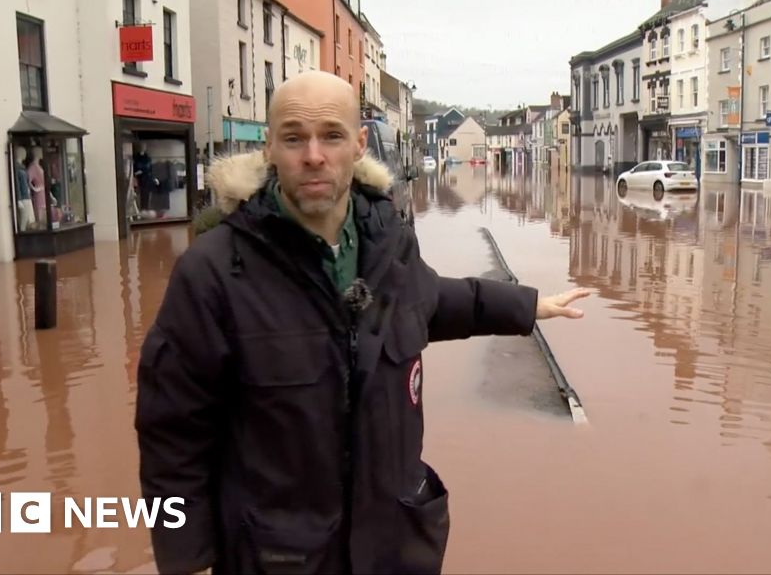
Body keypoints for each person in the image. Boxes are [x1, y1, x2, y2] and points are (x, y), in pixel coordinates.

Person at [135, 71, 591, 575]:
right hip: (278, 559)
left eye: (331, 135)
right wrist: (186, 561)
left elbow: (432, 301)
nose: (313, 155)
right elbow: (171, 434)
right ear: (269, 149)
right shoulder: (214, 271)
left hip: (393, 550)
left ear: (357, 144)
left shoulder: (389, 242)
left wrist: (527, 306)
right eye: (293, 138)